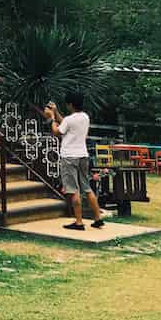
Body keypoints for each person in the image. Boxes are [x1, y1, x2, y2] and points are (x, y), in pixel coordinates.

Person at [44, 92, 104, 231]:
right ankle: (97, 219)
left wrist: (51, 118)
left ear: (70, 104)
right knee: (87, 188)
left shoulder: (69, 120)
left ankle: (78, 222)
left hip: (69, 156)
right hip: (83, 155)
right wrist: (57, 112)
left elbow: (57, 131)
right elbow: (66, 123)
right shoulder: (84, 117)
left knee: (73, 190)